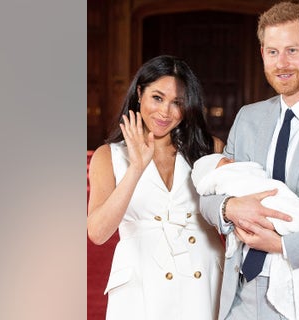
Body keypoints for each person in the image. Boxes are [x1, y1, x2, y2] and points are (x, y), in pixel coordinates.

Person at [199, 2, 299, 320]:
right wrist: (229, 208)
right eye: (272, 52)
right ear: (262, 54)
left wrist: (283, 245)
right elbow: (209, 196)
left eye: (292, 50)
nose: (281, 63)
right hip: (242, 292)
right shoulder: (248, 118)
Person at [87, 55, 225, 320]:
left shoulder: (211, 149)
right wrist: (136, 167)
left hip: (203, 281)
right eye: (157, 98)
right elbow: (99, 232)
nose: (165, 112)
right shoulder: (109, 156)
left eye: (177, 103)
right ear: (140, 93)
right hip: (140, 287)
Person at [192, 153, 299, 319]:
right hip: (241, 288)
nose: (232, 161)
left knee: (295, 214)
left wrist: (283, 245)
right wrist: (229, 207)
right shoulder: (242, 128)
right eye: (226, 162)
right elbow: (207, 199)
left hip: (294, 279)